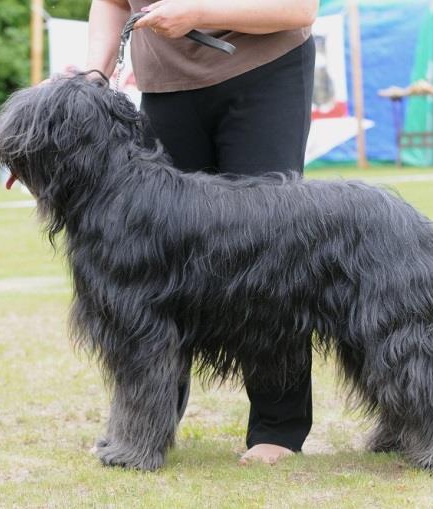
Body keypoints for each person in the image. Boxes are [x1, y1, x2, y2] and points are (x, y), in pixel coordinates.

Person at [86, 0, 318, 466]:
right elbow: (111, 2)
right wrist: (95, 71)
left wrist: (199, 13)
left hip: (263, 71)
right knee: (155, 272)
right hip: (166, 89)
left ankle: (277, 428)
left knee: (267, 258)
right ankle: (147, 426)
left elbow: (299, 8)